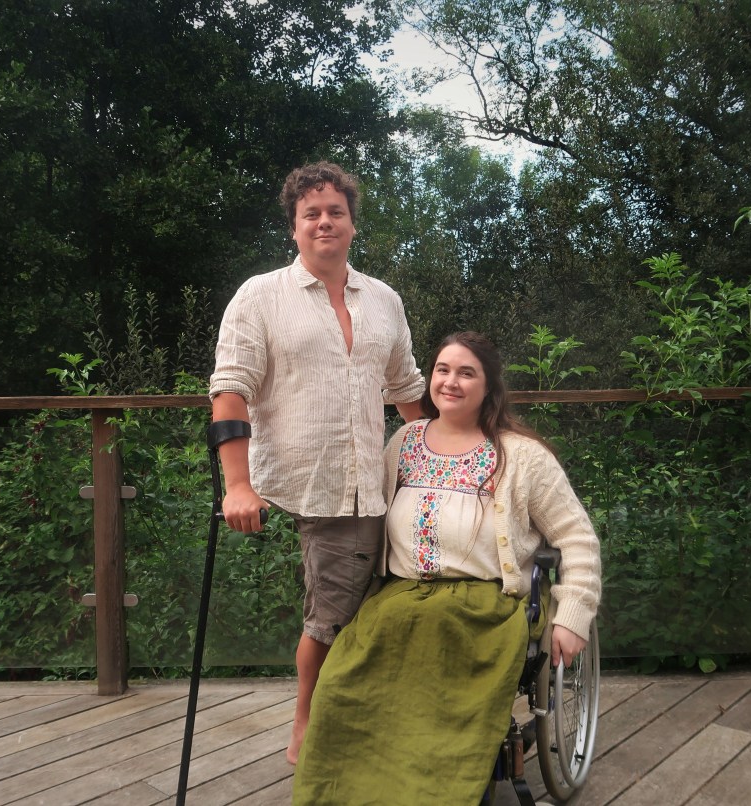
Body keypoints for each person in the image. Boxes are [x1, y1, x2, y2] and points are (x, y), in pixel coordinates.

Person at [292, 331, 602, 803]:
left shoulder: (520, 456)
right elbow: (358, 503)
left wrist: (573, 615)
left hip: (483, 609)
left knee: (440, 696)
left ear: (488, 387)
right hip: (397, 598)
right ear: (430, 379)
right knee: (340, 687)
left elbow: (576, 537)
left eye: (466, 372)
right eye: (442, 370)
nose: (450, 381)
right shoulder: (405, 441)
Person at [208, 161, 425, 764]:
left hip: (379, 483)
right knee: (332, 611)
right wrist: (237, 486)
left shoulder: (383, 300)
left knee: (374, 602)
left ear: (353, 223)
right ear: (294, 227)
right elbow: (230, 390)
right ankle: (307, 722)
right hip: (313, 482)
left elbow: (407, 388)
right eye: (312, 214)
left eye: (335, 211)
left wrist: (445, 455)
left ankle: (357, 711)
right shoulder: (261, 296)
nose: (324, 221)